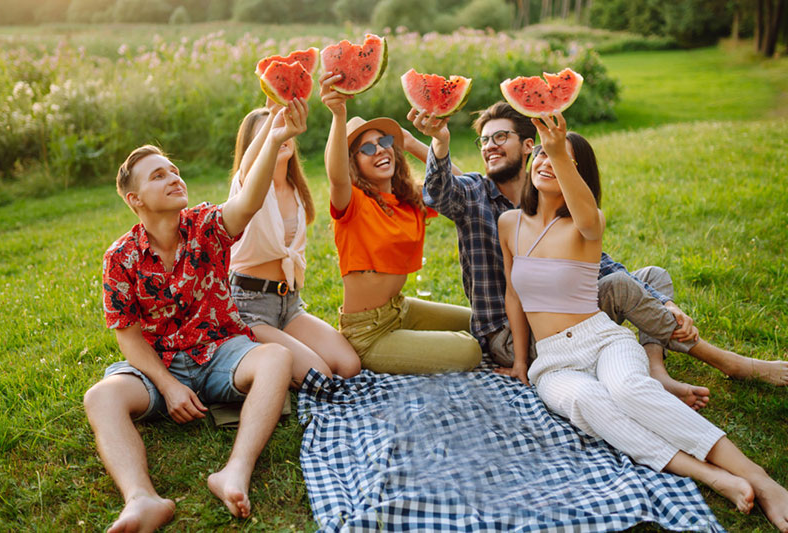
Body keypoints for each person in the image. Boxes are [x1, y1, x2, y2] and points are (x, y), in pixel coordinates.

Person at [498, 112, 788, 530]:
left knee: (629, 389)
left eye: (561, 160)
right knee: (588, 402)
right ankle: (711, 475)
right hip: (554, 361)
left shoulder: (586, 224)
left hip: (600, 339)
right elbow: (513, 294)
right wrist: (522, 362)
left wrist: (561, 151)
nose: (546, 161)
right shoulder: (510, 224)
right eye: (540, 153)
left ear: (580, 176)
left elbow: (584, 213)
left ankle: (759, 477)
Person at [412, 102, 787, 408]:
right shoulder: (472, 194)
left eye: (500, 137)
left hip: (566, 315)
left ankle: (656, 369)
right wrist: (440, 143)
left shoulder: (551, 193)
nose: (489, 145)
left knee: (651, 276)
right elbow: (439, 192)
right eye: (482, 140)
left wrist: (661, 303)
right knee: (623, 287)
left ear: (530, 146)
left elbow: (594, 261)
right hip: (513, 336)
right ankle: (731, 363)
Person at [83, 99, 308, 532]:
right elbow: (128, 337)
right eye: (158, 175)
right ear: (135, 200)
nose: (173, 177)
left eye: (173, 169)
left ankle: (234, 471)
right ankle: (142, 498)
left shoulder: (205, 223)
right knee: (101, 396)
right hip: (159, 365)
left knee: (276, 358)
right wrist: (167, 386)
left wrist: (276, 137)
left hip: (221, 351)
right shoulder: (120, 257)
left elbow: (246, 200)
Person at [319, 71, 482, 374]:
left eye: (384, 142)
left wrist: (413, 142)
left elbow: (467, 188)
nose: (379, 149)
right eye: (366, 148)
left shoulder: (408, 199)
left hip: (400, 309)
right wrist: (339, 114)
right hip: (369, 332)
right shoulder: (351, 202)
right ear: (353, 163)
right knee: (471, 350)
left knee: (482, 321)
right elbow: (336, 175)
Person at [228, 103, 360, 385]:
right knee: (320, 376)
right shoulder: (247, 187)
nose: (281, 132)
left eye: (284, 124)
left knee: (349, 366)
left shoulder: (295, 188)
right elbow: (248, 166)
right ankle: (252, 358)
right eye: (269, 131)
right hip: (249, 307)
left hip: (289, 304)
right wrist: (272, 117)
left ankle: (273, 353)